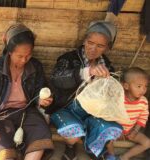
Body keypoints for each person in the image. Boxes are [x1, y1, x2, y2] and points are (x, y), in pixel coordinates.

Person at [0, 24, 54, 160]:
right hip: (0, 115)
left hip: (27, 112)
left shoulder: (35, 66)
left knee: (41, 134)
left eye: (28, 55)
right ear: (9, 51)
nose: (24, 60)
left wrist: (42, 99)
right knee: (5, 150)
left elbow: (40, 90)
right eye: (20, 56)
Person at [47, 21, 123, 160]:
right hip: (65, 108)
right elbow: (56, 79)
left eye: (100, 45)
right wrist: (86, 72)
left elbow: (110, 95)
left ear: (107, 47)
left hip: (91, 113)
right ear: (84, 40)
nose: (93, 48)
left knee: (110, 130)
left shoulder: (107, 66)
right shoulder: (69, 59)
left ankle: (94, 146)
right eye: (90, 42)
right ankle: (71, 146)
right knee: (73, 136)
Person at [118, 67, 150, 160]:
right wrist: (117, 129)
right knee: (106, 140)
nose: (143, 90)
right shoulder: (119, 99)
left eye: (146, 86)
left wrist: (135, 131)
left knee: (147, 143)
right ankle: (109, 156)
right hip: (115, 130)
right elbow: (112, 114)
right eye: (139, 86)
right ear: (126, 86)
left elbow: (143, 117)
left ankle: (125, 157)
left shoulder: (143, 101)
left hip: (130, 131)